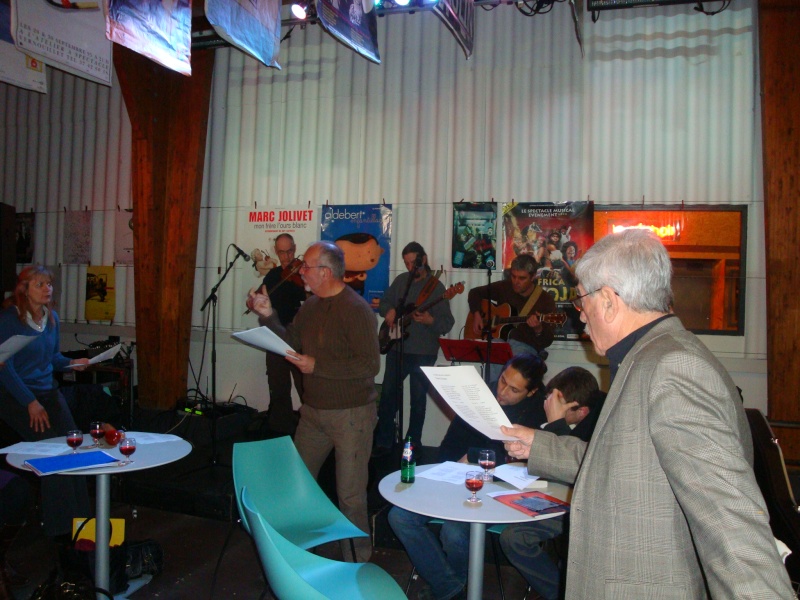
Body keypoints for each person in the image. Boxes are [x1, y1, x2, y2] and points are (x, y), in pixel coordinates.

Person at [502, 229, 794, 599]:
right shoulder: (649, 357)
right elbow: (626, 463)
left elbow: (731, 525)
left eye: (581, 301)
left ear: (608, 300)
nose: (580, 316)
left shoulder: (674, 368)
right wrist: (538, 445)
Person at [246, 241, 380, 562]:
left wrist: (317, 365)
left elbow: (369, 366)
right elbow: (291, 341)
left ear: (325, 272)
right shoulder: (311, 306)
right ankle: (301, 553)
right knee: (298, 485)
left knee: (349, 497)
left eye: (305, 266)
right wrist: (267, 315)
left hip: (351, 416)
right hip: (313, 414)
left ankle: (358, 563)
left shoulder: (356, 310)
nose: (300, 272)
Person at [388, 354, 546, 600]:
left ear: (531, 392)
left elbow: (515, 464)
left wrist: (473, 456)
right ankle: (451, 588)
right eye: (503, 380)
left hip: (496, 491)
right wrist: (451, 468)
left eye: (513, 389)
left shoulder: (535, 414)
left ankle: (449, 587)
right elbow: (450, 446)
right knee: (399, 517)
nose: (502, 391)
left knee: (454, 532)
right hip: (457, 479)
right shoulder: (481, 395)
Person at [0, 266, 91, 538]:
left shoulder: (51, 317)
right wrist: (29, 401)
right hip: (17, 395)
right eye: (39, 284)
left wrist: (73, 363)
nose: (47, 289)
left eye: (49, 284)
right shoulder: (9, 319)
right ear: (24, 289)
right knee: (52, 455)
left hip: (47, 392)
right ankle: (62, 532)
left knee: (75, 448)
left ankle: (84, 526)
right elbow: (4, 366)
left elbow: (53, 359)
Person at [498, 367, 604, 600]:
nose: (547, 406)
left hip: (580, 505)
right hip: (544, 493)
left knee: (514, 538)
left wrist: (556, 423)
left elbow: (577, 468)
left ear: (582, 411)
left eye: (556, 405)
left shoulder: (600, 424)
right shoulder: (543, 407)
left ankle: (560, 593)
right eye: (548, 399)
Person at [373, 242, 455, 455]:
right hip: (397, 348)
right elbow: (384, 303)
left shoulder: (436, 287)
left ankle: (413, 443)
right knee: (388, 396)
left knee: (418, 402)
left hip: (423, 352)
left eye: (414, 263)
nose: (411, 267)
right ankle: (384, 441)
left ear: (424, 259)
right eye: (407, 263)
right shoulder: (401, 281)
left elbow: (447, 323)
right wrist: (389, 310)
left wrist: (430, 320)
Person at [255, 234, 306, 435]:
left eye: (290, 251)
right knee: (278, 388)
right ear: (276, 252)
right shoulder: (273, 275)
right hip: (275, 338)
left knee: (305, 388)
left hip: (298, 338)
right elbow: (260, 295)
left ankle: (311, 434)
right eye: (282, 252)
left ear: (295, 248)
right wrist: (253, 302)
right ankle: (281, 432)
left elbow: (313, 298)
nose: (286, 257)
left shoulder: (304, 274)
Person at [467, 254, 556, 359]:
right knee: (490, 352)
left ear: (533, 277)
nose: (516, 282)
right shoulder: (505, 287)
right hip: (499, 341)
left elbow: (547, 341)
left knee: (511, 358)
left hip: (525, 346)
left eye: (522, 278)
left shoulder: (545, 300)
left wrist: (538, 329)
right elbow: (474, 293)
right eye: (513, 276)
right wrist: (477, 314)